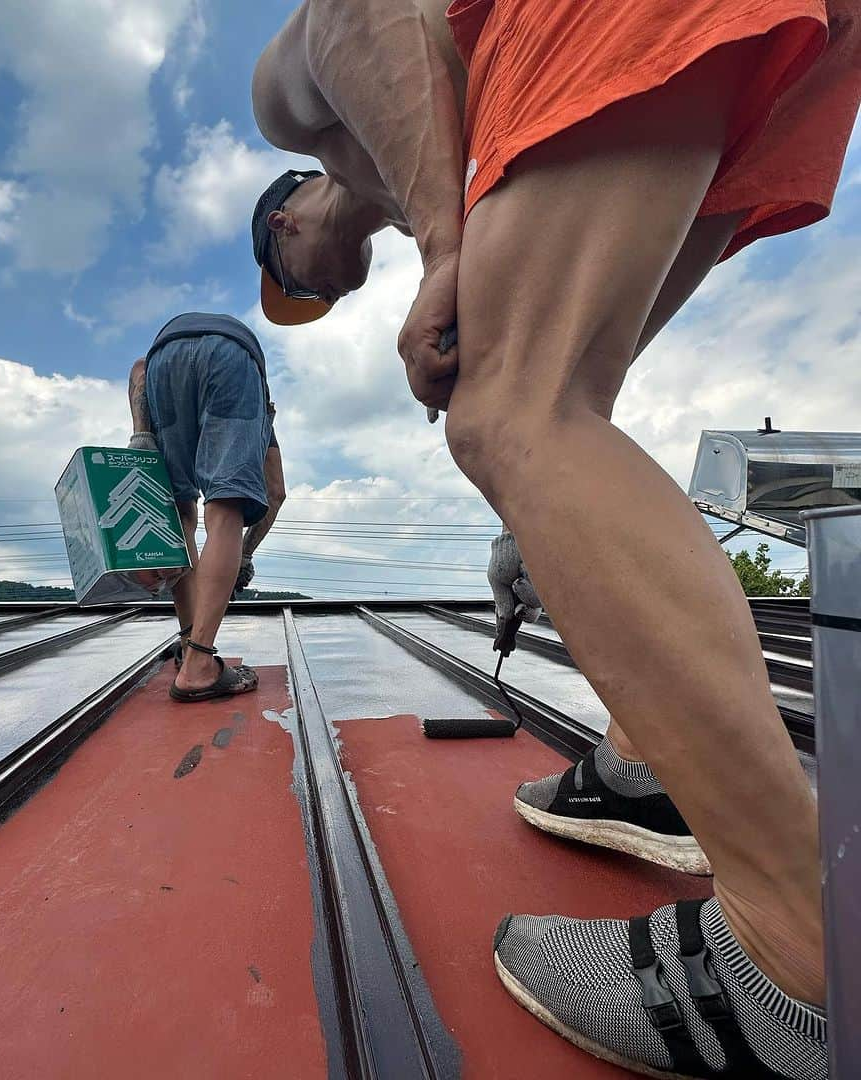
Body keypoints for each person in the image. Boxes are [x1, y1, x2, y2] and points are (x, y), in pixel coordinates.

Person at [250, 1, 860, 1075]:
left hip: (627, 23)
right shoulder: (439, 149)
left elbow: (359, 12)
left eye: (291, 284)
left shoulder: (289, 116)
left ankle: (799, 955)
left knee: (509, 411)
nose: (309, 295)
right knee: (555, 409)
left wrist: (447, 241)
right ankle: (647, 759)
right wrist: (539, 513)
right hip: (776, 50)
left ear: (289, 224)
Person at [128, 312, 286, 702]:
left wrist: (140, 434)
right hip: (232, 356)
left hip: (163, 358)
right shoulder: (257, 404)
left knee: (180, 510)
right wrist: (243, 554)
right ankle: (199, 666)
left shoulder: (261, 416)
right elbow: (276, 493)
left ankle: (188, 647)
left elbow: (139, 371)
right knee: (226, 505)